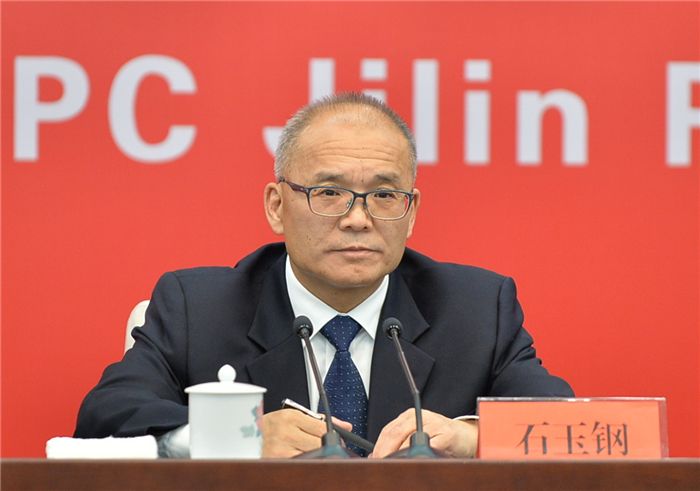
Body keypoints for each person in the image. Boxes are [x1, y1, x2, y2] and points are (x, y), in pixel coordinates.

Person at [75, 93, 573, 458]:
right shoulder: (197, 308)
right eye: (329, 193)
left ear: (411, 212)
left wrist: (473, 438)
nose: (358, 219)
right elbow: (102, 420)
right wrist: (230, 440)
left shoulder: (477, 310)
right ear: (277, 206)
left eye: (384, 196)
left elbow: (574, 431)